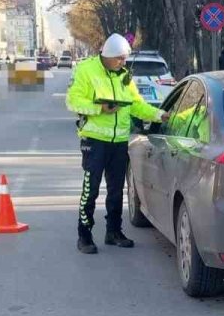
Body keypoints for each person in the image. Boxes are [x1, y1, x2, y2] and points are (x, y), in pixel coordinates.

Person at [66, 33, 168, 254]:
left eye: (125, 59)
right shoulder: (86, 70)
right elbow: (73, 101)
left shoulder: (124, 77)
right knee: (90, 190)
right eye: (120, 59)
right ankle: (84, 235)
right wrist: (100, 108)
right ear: (108, 55)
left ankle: (113, 232)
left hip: (119, 142)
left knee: (116, 190)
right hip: (94, 141)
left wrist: (160, 115)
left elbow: (136, 105)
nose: (123, 63)